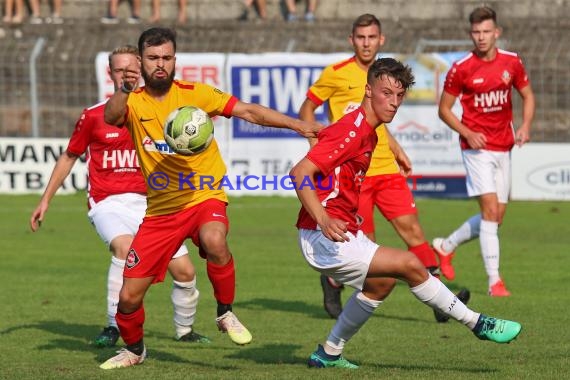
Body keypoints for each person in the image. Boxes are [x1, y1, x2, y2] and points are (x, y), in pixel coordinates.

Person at [99, 27, 322, 369]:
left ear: (175, 60)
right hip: (161, 212)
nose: (161, 64)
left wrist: (300, 126)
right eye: (153, 58)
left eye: (167, 58)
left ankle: (225, 312)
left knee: (214, 239)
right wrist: (124, 88)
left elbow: (248, 111)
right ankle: (135, 350)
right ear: (141, 61)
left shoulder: (197, 94)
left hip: (204, 195)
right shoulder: (133, 102)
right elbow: (111, 116)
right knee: (128, 298)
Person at [290, 57, 522, 369]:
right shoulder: (353, 130)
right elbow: (300, 172)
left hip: (338, 230)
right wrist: (323, 217)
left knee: (381, 284)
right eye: (387, 93)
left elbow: (336, 180)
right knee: (410, 263)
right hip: (321, 236)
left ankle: (329, 352)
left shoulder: (371, 132)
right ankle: (477, 323)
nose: (394, 102)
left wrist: (345, 211)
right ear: (368, 90)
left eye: (399, 96)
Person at [29, 45, 209, 349]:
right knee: (124, 249)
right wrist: (45, 199)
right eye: (119, 69)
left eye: (131, 68)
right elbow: (70, 156)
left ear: (140, 70)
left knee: (185, 271)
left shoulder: (160, 113)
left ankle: (184, 330)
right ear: (110, 73)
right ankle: (113, 326)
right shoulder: (94, 116)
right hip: (108, 202)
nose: (126, 73)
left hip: (151, 203)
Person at [298, 13, 467, 323]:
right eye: (361, 37)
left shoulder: (387, 77)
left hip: (385, 168)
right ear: (352, 40)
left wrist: (397, 147)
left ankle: (440, 298)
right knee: (367, 249)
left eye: (371, 37)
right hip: (353, 174)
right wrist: (316, 146)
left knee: (413, 231)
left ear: (381, 40)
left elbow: (374, 123)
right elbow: (308, 108)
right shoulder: (335, 74)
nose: (366, 43)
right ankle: (335, 282)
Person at [434, 6, 535, 297]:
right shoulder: (461, 68)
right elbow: (444, 109)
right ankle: (495, 282)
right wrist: (467, 132)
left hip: (504, 145)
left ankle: (445, 246)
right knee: (490, 212)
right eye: (476, 32)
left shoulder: (512, 62)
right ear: (471, 34)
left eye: (486, 31)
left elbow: (527, 95)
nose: (481, 37)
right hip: (475, 148)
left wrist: (525, 126)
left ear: (496, 33)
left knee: (497, 217)